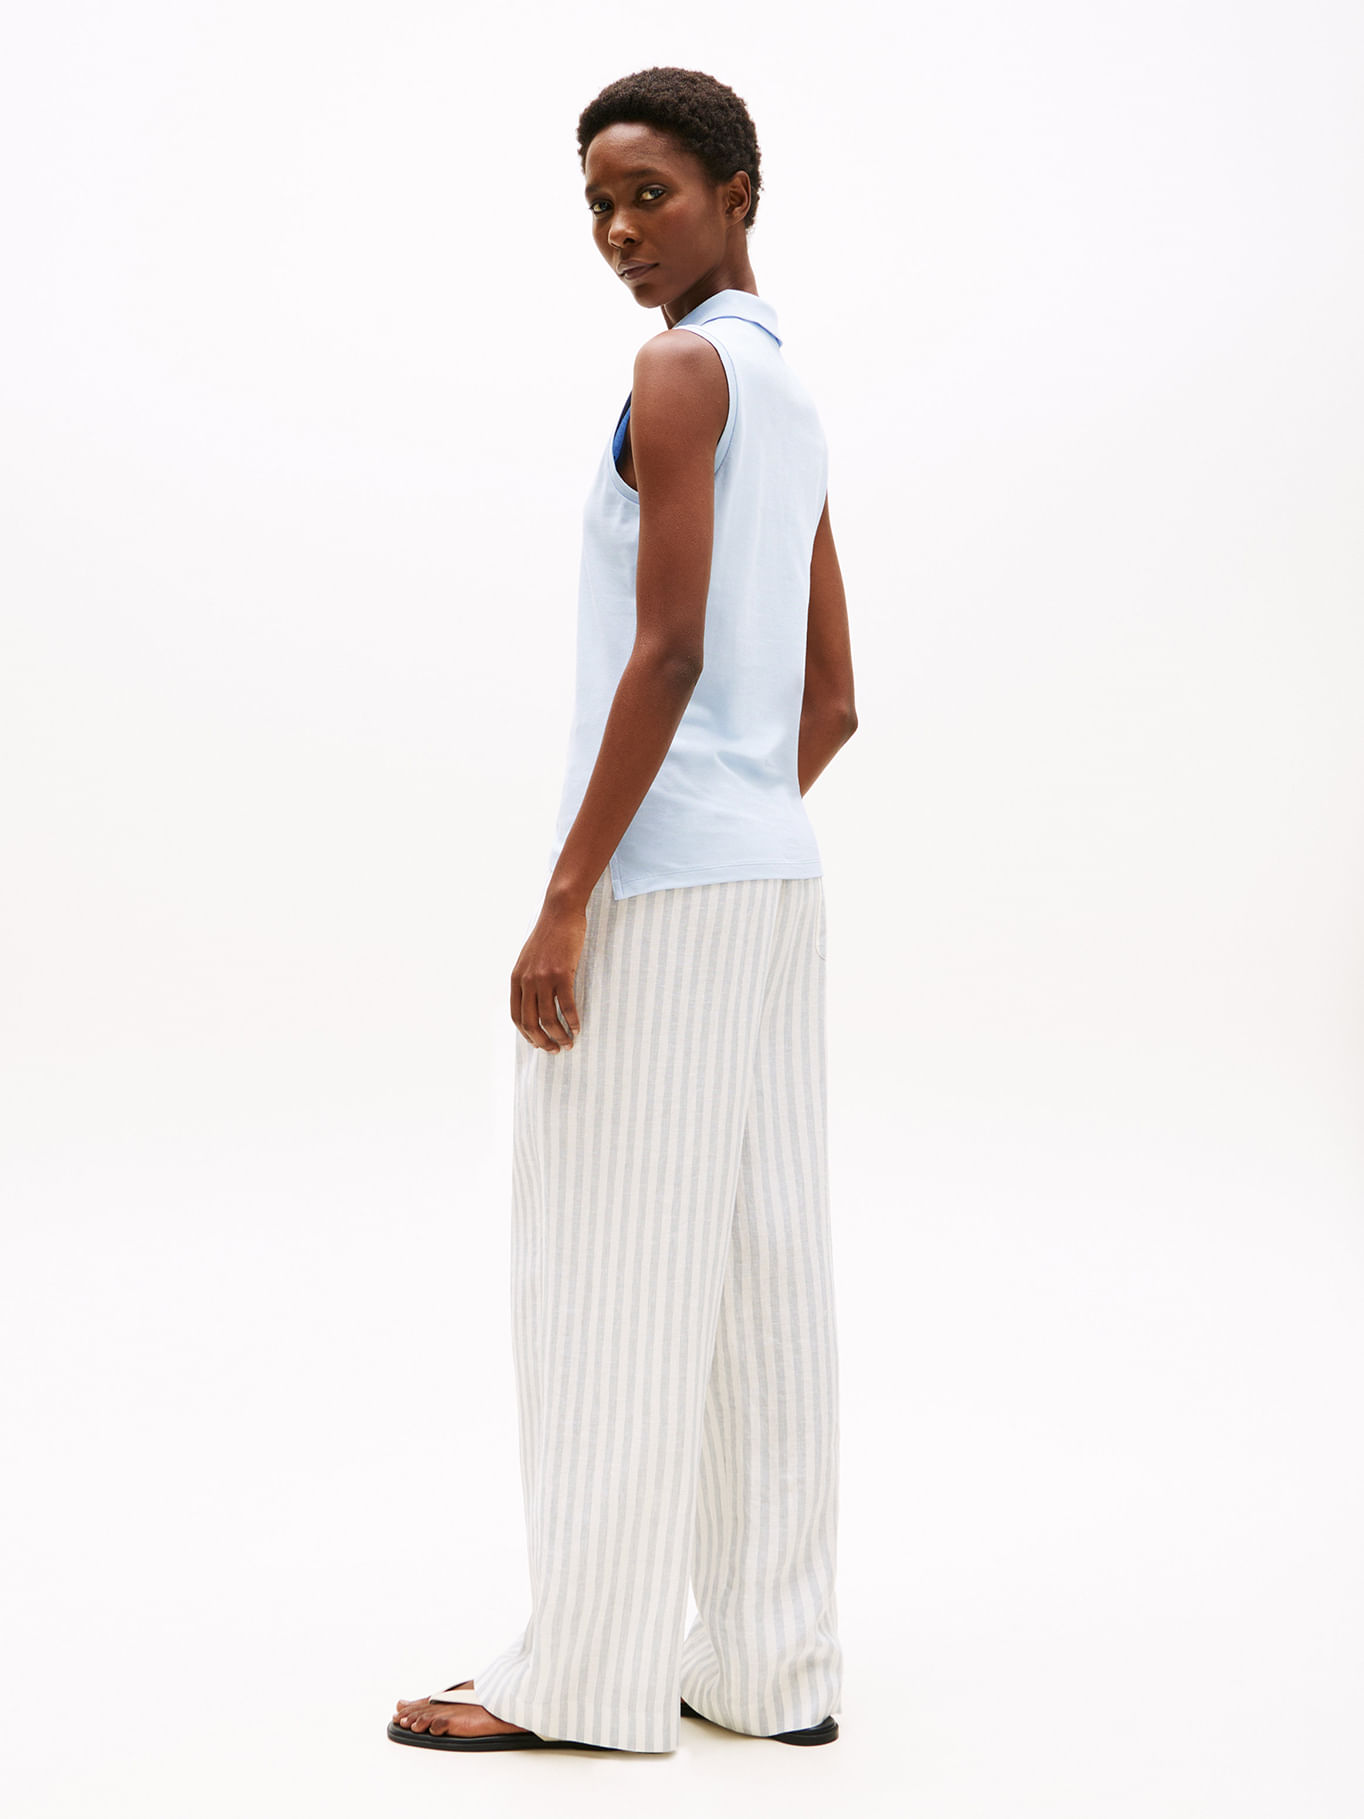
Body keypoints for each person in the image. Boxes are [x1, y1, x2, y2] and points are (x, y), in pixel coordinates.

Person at [389, 64, 857, 1756]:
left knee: (607, 1279)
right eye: (596, 202)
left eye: (648, 192)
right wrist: (737, 818)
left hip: (664, 886)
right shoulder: (784, 389)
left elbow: (666, 652)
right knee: (760, 1276)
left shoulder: (676, 372)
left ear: (739, 192)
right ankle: (772, 1667)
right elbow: (832, 699)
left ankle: (583, 1676)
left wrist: (570, 896)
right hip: (773, 884)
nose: (617, 229)